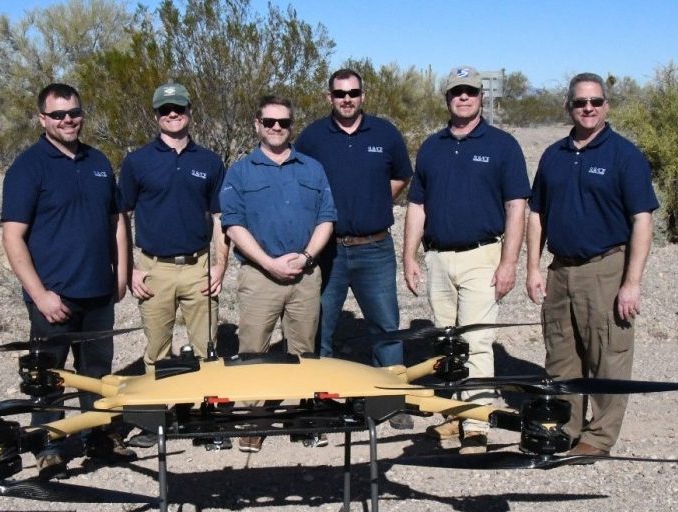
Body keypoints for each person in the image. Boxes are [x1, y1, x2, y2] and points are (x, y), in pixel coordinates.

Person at [525, 72, 658, 459]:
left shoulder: (624, 155)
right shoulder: (554, 155)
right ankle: (566, 429)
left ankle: (598, 438)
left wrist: (631, 282)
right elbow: (537, 214)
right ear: (568, 106)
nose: (588, 108)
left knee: (607, 355)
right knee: (561, 354)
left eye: (595, 102)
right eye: (580, 102)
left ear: (606, 106)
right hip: (560, 269)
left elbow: (642, 220)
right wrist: (533, 268)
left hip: (605, 268)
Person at [0, 83, 129, 477]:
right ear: (43, 119)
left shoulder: (98, 161)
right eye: (58, 115)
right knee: (49, 375)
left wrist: (121, 272)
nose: (68, 120)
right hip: (54, 295)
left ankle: (98, 436)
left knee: (97, 373)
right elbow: (12, 236)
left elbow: (117, 220)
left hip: (98, 292)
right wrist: (40, 295)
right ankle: (49, 444)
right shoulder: (28, 166)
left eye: (74, 112)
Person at [402, 66, 529, 454]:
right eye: (456, 91)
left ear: (481, 97)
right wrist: (408, 255)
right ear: (447, 98)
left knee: (476, 341)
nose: (464, 97)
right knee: (446, 344)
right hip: (438, 257)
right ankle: (451, 419)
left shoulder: (502, 145)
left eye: (470, 91)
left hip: (482, 255)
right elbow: (417, 205)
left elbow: (516, 206)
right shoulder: (432, 146)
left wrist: (509, 263)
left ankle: (476, 423)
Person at [296, 69, 414, 429]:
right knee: (321, 326)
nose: (346, 99)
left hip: (375, 248)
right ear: (329, 96)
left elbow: (401, 176)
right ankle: (322, 400)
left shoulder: (384, 132)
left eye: (353, 92)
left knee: (386, 327)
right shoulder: (313, 136)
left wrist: (375, 204)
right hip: (327, 251)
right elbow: (297, 178)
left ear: (363, 94)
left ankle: (391, 400)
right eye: (339, 93)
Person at [220, 95, 337, 453]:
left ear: (291, 126)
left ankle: (303, 419)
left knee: (302, 349)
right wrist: (269, 263)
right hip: (259, 275)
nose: (276, 128)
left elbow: (326, 218)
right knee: (254, 349)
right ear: (256, 124)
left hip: (305, 274)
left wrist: (305, 257)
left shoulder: (312, 168)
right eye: (269, 121)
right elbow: (233, 224)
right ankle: (254, 422)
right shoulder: (240, 171)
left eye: (283, 122)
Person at [117, 83, 228, 448]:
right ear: (156, 116)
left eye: (178, 108)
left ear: (189, 111)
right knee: (157, 350)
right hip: (154, 269)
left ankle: (207, 422)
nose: (172, 115)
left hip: (199, 266)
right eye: (165, 110)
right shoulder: (137, 162)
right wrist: (130, 269)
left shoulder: (209, 162)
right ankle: (154, 421)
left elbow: (219, 219)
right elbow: (122, 217)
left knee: (207, 349)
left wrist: (219, 268)